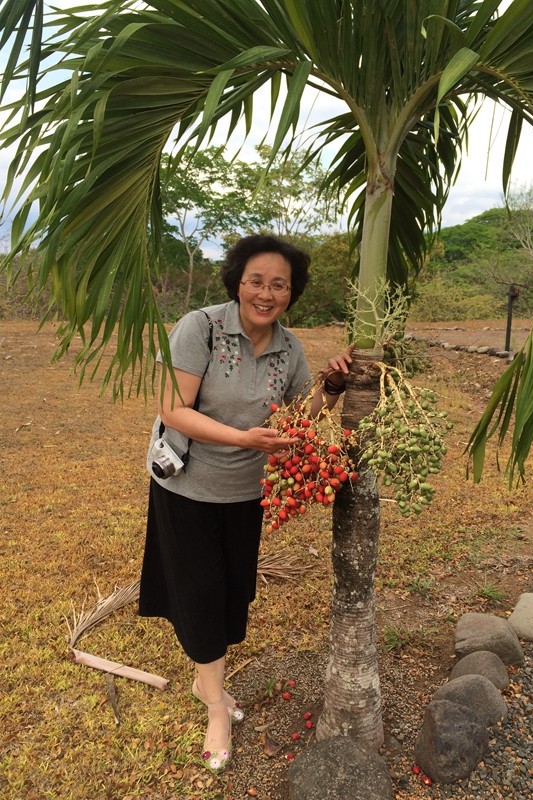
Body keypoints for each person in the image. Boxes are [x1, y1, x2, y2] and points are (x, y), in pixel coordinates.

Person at [138, 234, 353, 773]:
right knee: (201, 593)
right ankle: (214, 703)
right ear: (236, 280)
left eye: (279, 284)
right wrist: (242, 439)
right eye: (256, 280)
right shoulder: (201, 327)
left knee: (234, 597)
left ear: (291, 292)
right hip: (187, 489)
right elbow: (171, 408)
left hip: (247, 494)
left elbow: (302, 411)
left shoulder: (290, 347)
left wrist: (331, 383)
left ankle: (204, 677)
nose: (266, 292)